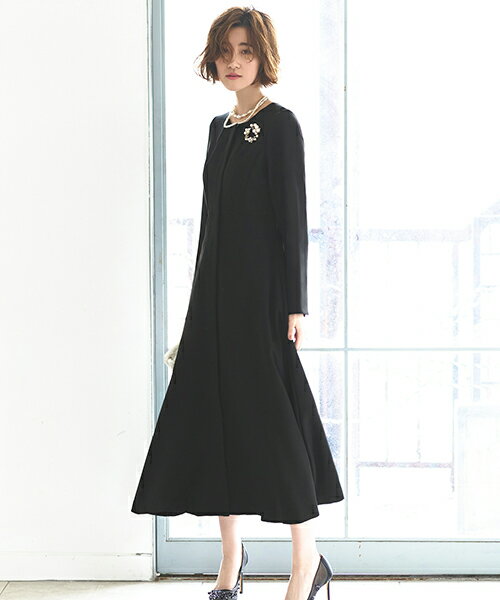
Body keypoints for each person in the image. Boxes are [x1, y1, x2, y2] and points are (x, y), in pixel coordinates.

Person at [131, 7, 344, 600]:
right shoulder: (218, 128)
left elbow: (293, 220)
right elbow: (210, 225)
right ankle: (231, 559)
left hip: (263, 300)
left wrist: (295, 305)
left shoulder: (281, 125)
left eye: (245, 51)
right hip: (213, 299)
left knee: (278, 425)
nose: (233, 62)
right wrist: (197, 304)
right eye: (225, 51)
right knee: (214, 422)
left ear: (262, 57)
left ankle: (306, 562)